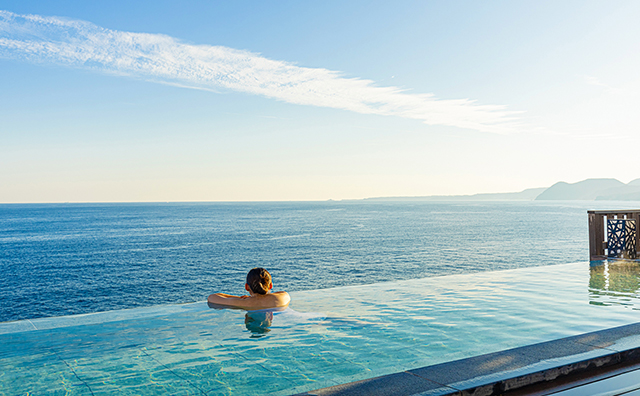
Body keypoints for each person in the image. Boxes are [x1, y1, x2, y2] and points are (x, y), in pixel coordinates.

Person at [208, 267, 290, 310]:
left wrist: (240, 298)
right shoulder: (281, 298)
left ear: (247, 287)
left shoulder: (243, 303)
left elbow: (212, 297)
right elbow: (282, 292)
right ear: (271, 286)